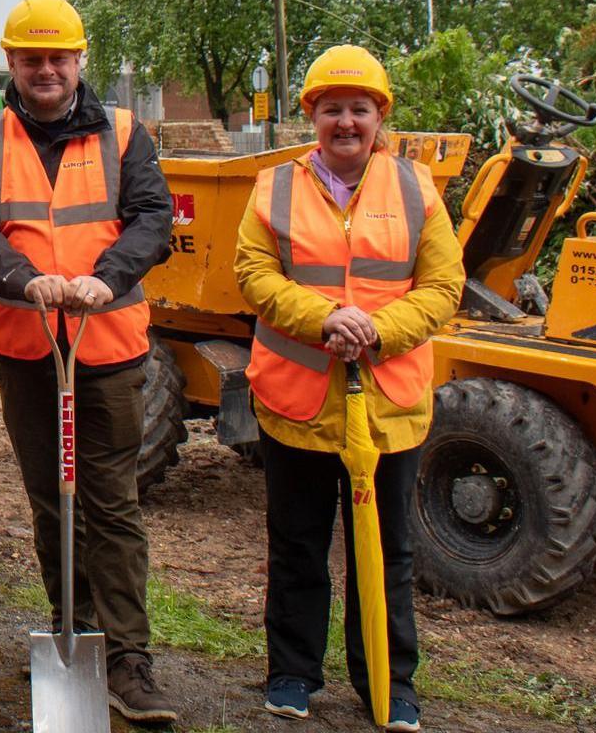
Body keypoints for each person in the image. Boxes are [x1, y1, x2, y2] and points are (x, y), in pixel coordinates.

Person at [0, 0, 179, 726]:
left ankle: (127, 660)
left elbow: (152, 218)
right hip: (28, 352)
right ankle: (70, 632)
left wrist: (104, 277)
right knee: (53, 501)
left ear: (80, 60)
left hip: (107, 349)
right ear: (11, 63)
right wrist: (24, 278)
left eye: (58, 57)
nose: (45, 70)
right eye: (30, 59)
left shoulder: (123, 132)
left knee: (111, 502)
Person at [235, 45, 464, 733]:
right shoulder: (274, 187)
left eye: (358, 109)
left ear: (379, 117)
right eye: (331, 109)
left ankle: (389, 686)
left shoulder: (416, 188)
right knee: (298, 544)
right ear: (312, 115)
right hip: (296, 401)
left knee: (386, 553)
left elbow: (443, 286)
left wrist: (378, 330)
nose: (345, 122)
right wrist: (325, 319)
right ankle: (292, 674)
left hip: (388, 404)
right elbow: (253, 273)